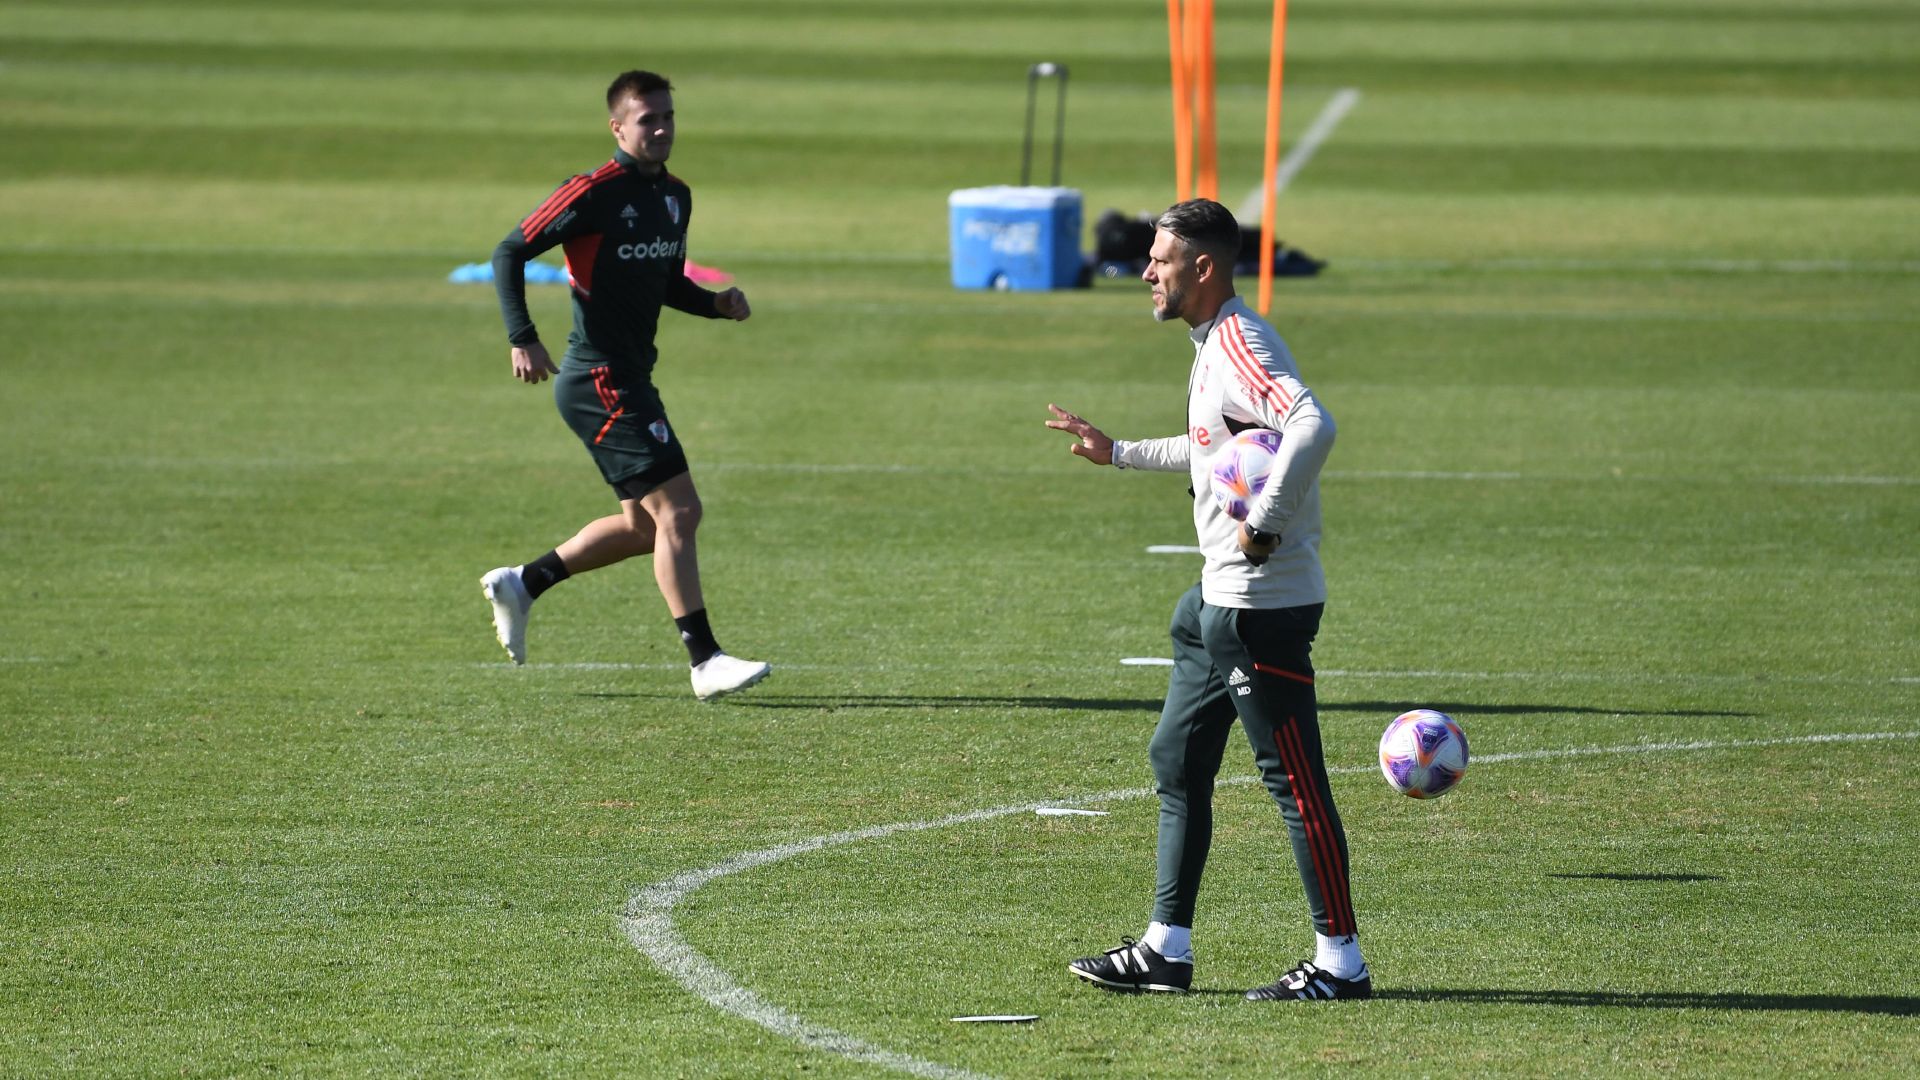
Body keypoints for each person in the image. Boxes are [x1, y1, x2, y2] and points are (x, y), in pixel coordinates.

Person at [1045, 199, 1367, 1001]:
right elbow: (1210, 450)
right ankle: (1166, 950)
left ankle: (1341, 963)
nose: (1144, 272)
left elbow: (1313, 425)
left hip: (1261, 606)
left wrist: (1263, 525)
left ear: (1203, 267)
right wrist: (1119, 451)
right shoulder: (1212, 344)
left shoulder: (1240, 342)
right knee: (1177, 759)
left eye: (1159, 260)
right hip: (1214, 605)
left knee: (1295, 785)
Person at [481, 69, 768, 702]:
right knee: (680, 512)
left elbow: (666, 282)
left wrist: (714, 304)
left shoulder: (676, 197)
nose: (661, 129)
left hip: (631, 375)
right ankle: (704, 660)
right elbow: (509, 251)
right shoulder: (590, 192)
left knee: (643, 528)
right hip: (598, 379)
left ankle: (523, 583)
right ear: (617, 127)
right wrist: (522, 336)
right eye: (647, 120)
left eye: (668, 117)